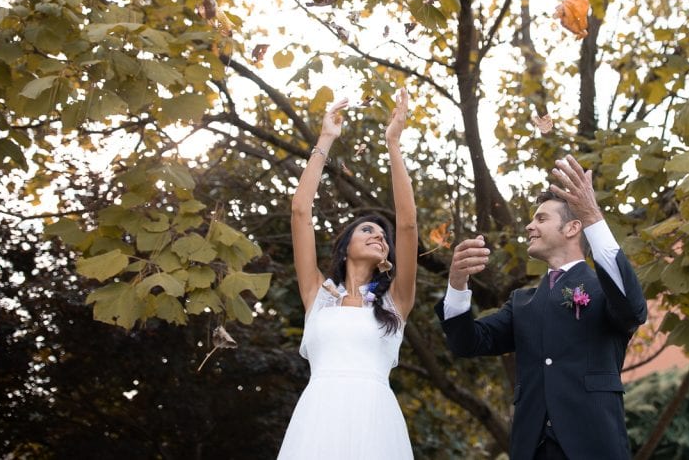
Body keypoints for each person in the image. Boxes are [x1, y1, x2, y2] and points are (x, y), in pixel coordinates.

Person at [436, 156, 647, 460]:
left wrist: (592, 214)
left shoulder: (606, 288)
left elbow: (633, 309)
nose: (529, 225)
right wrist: (457, 283)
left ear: (573, 227)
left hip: (594, 443)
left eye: (541, 219)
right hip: (530, 447)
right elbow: (466, 343)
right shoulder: (522, 302)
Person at [277, 89, 417, 459]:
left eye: (383, 236)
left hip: (376, 422)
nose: (379, 236)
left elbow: (407, 224)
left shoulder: (396, 300)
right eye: (368, 230)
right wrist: (326, 138)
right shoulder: (317, 294)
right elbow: (300, 211)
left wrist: (393, 143)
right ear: (345, 246)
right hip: (317, 421)